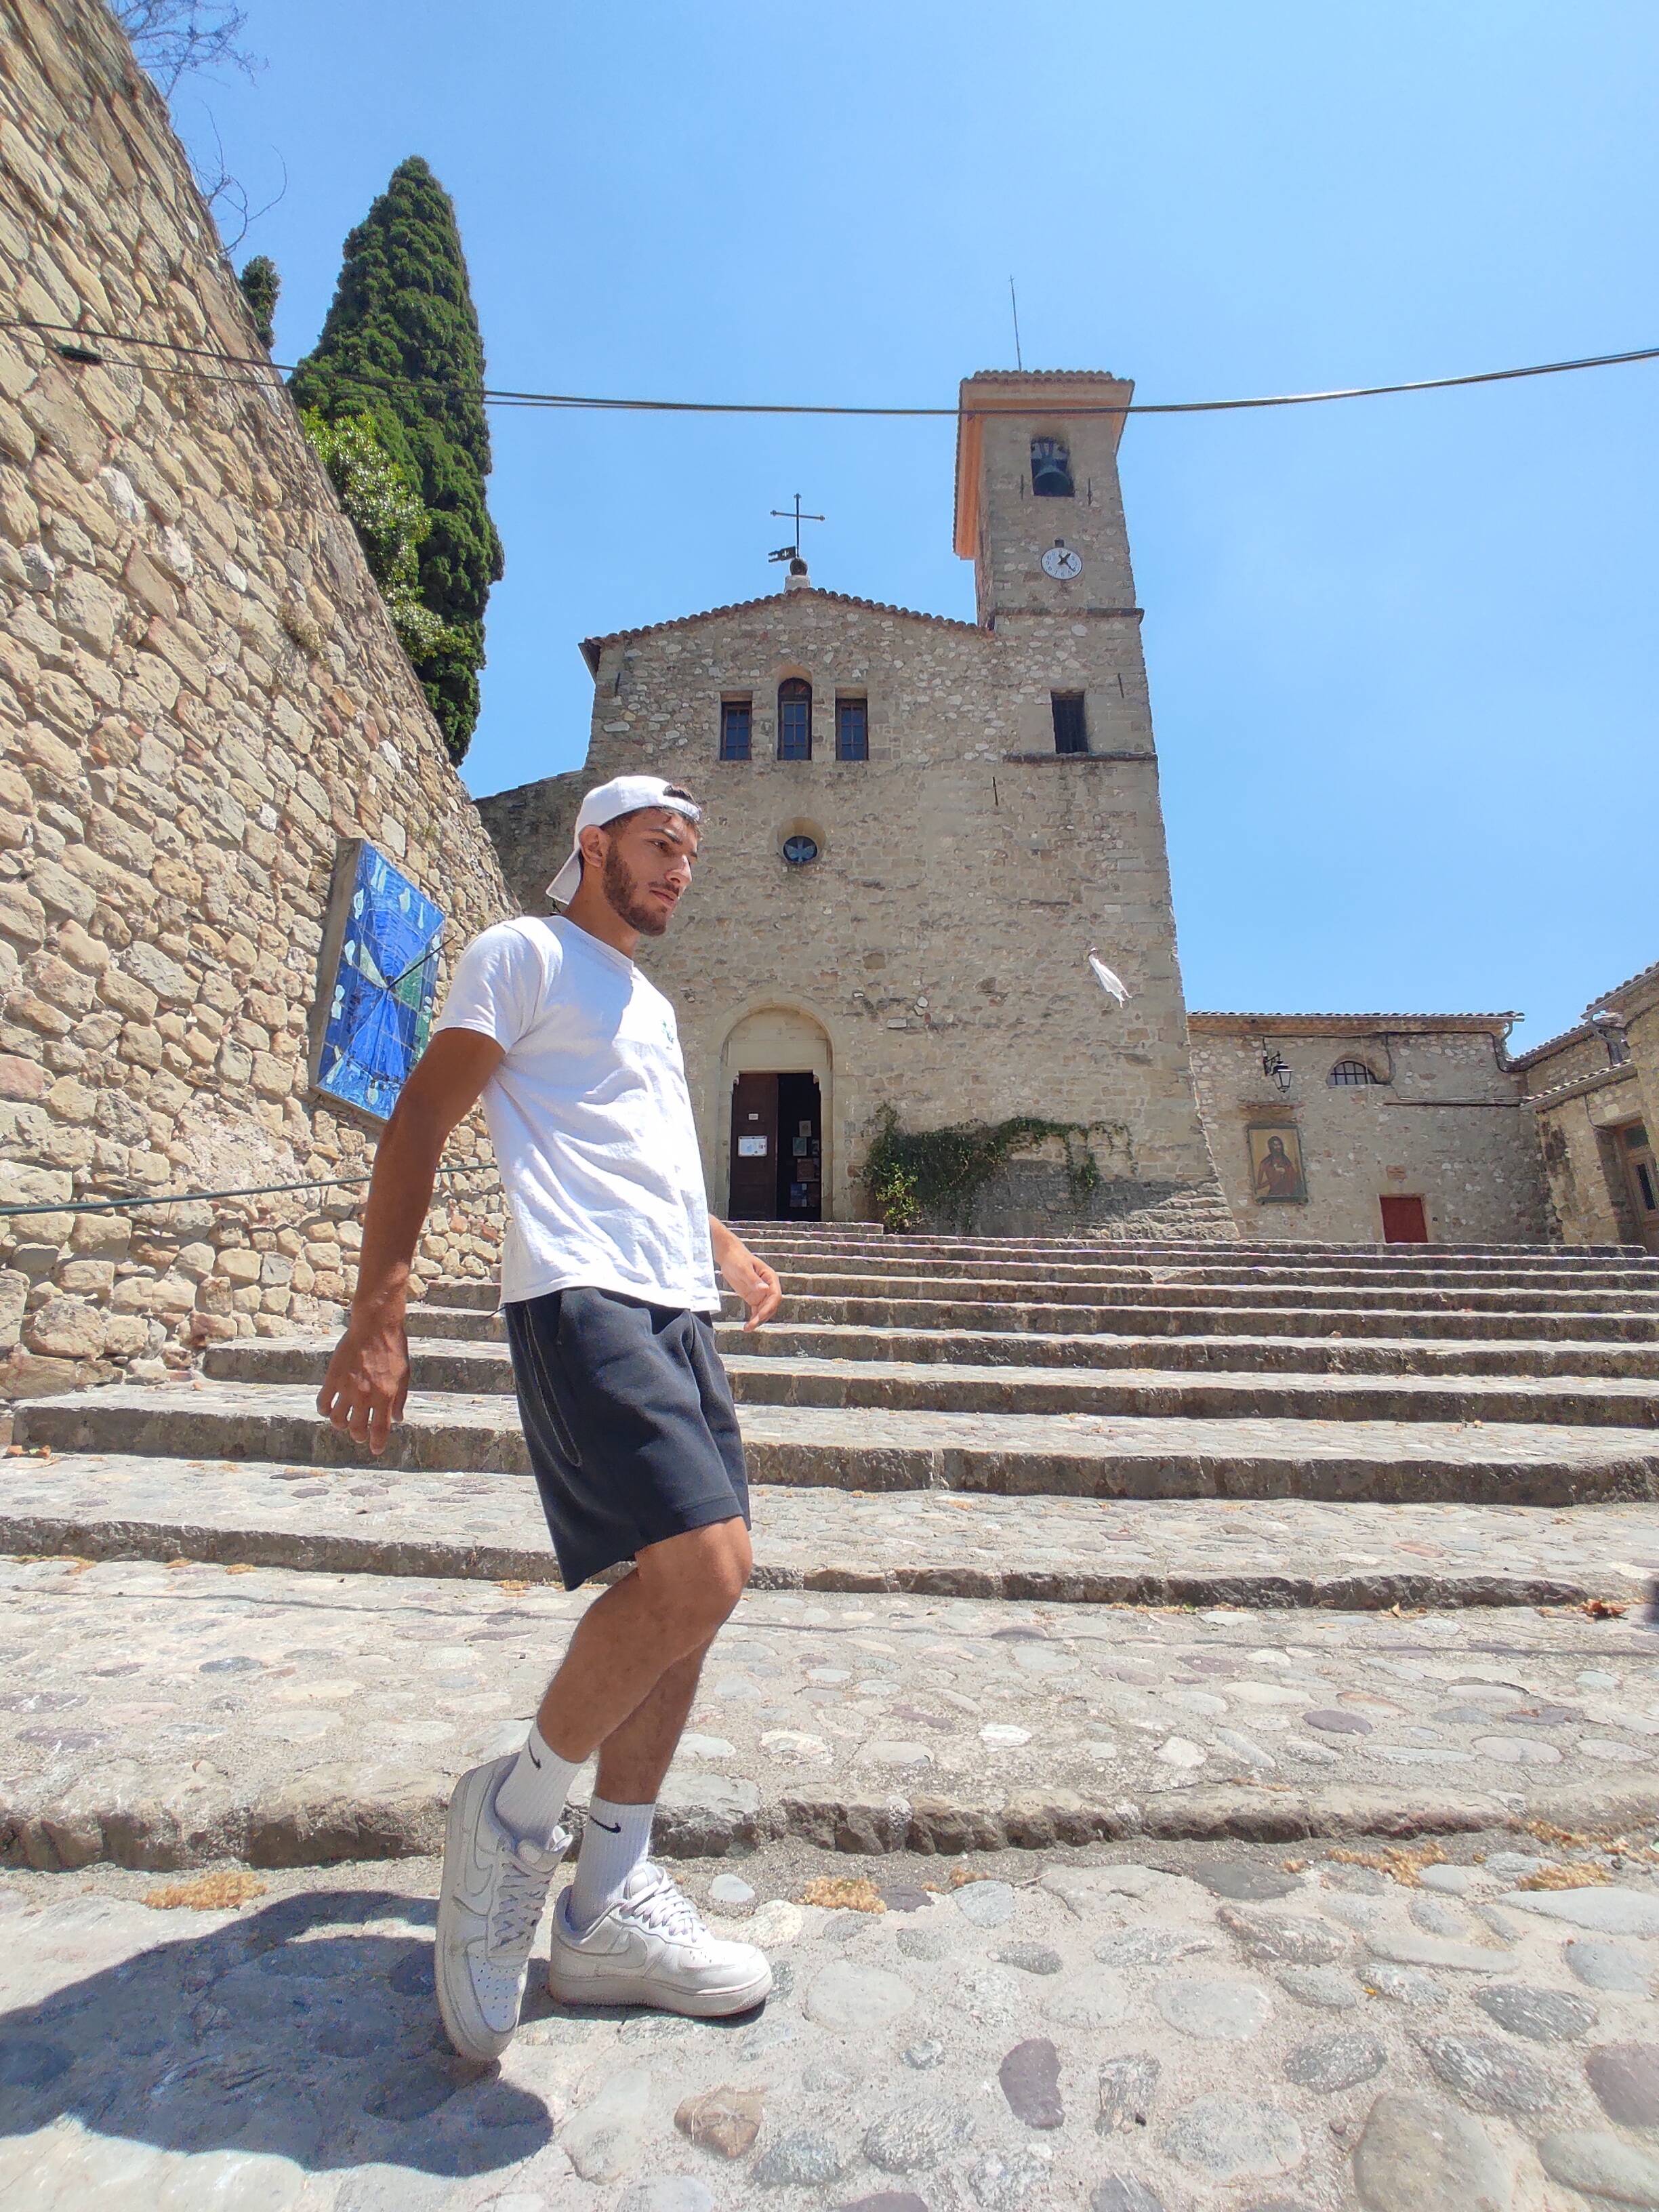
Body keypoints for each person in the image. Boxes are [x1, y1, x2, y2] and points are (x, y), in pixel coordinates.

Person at [315, 774, 783, 2063]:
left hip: (674, 1302)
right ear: (591, 848)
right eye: (657, 846)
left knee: (691, 1594)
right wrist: (381, 1309)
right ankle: (516, 1819)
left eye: (690, 853)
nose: (680, 870)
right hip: (581, 1298)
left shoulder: (653, 1001)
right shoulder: (523, 954)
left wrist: (726, 1248)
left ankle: (607, 1900)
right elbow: (420, 1115)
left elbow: (640, 1154)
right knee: (703, 1569)